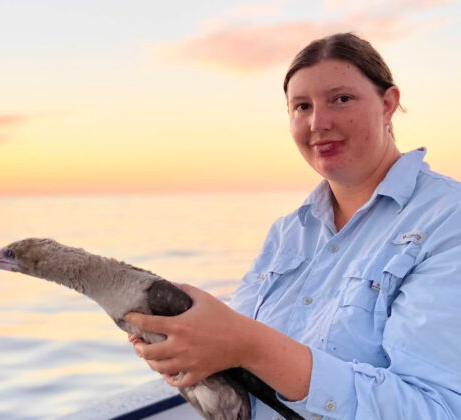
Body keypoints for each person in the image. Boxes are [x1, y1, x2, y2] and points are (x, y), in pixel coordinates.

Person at [124, 32, 461, 419]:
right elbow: (236, 365)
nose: (318, 122)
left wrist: (250, 344)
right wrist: (188, 347)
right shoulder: (288, 233)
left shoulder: (448, 218)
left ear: (388, 105)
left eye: (341, 99)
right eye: (302, 106)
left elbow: (436, 409)